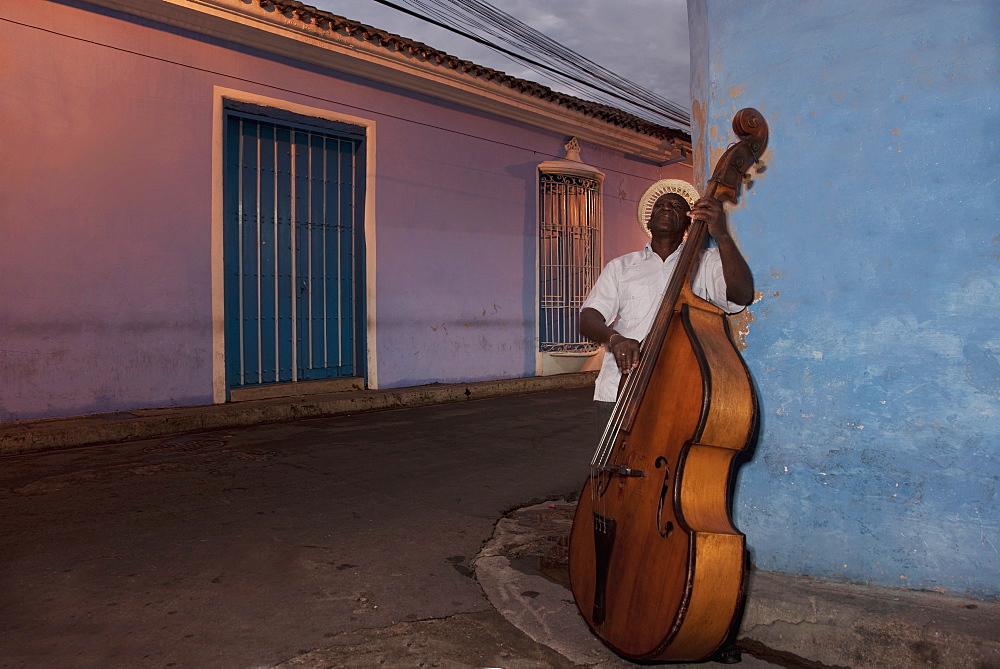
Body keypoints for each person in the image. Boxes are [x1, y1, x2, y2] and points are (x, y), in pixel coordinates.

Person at [579, 180, 755, 430]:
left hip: (685, 389)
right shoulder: (621, 266)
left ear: (687, 223)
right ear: (648, 223)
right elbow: (588, 318)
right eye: (660, 205)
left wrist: (722, 236)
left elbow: (741, 295)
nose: (666, 208)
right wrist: (615, 339)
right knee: (615, 468)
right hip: (622, 386)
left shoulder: (706, 261)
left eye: (675, 206)